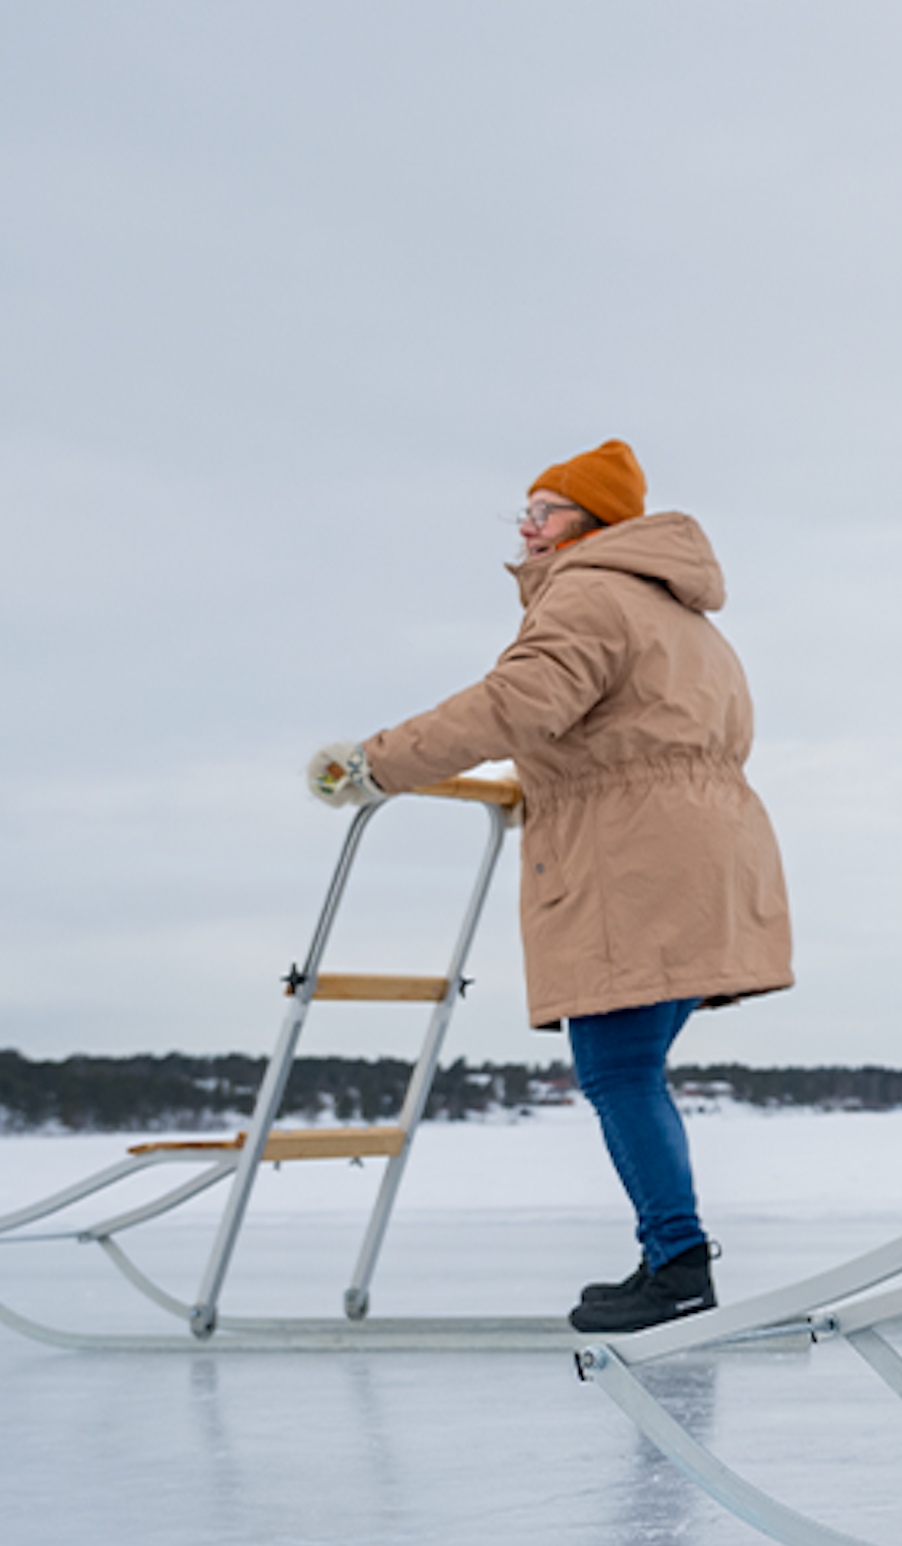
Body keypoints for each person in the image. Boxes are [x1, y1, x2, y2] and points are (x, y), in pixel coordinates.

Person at [304, 439, 794, 1336]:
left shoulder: (588, 591)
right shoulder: (681, 616)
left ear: (596, 524)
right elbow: (639, 736)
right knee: (631, 1066)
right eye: (523, 512)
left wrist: (377, 763)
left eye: (547, 510)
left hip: (638, 863)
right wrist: (545, 793)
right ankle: (670, 1258)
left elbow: (514, 705)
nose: (528, 527)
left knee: (617, 1068)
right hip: (708, 855)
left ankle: (678, 1264)